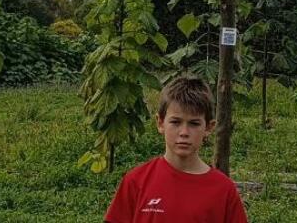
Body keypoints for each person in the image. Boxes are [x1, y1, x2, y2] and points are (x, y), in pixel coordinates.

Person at [104, 77, 249, 223]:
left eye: (194, 123)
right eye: (176, 122)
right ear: (160, 123)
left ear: (208, 127)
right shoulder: (136, 181)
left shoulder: (224, 190)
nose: (184, 132)